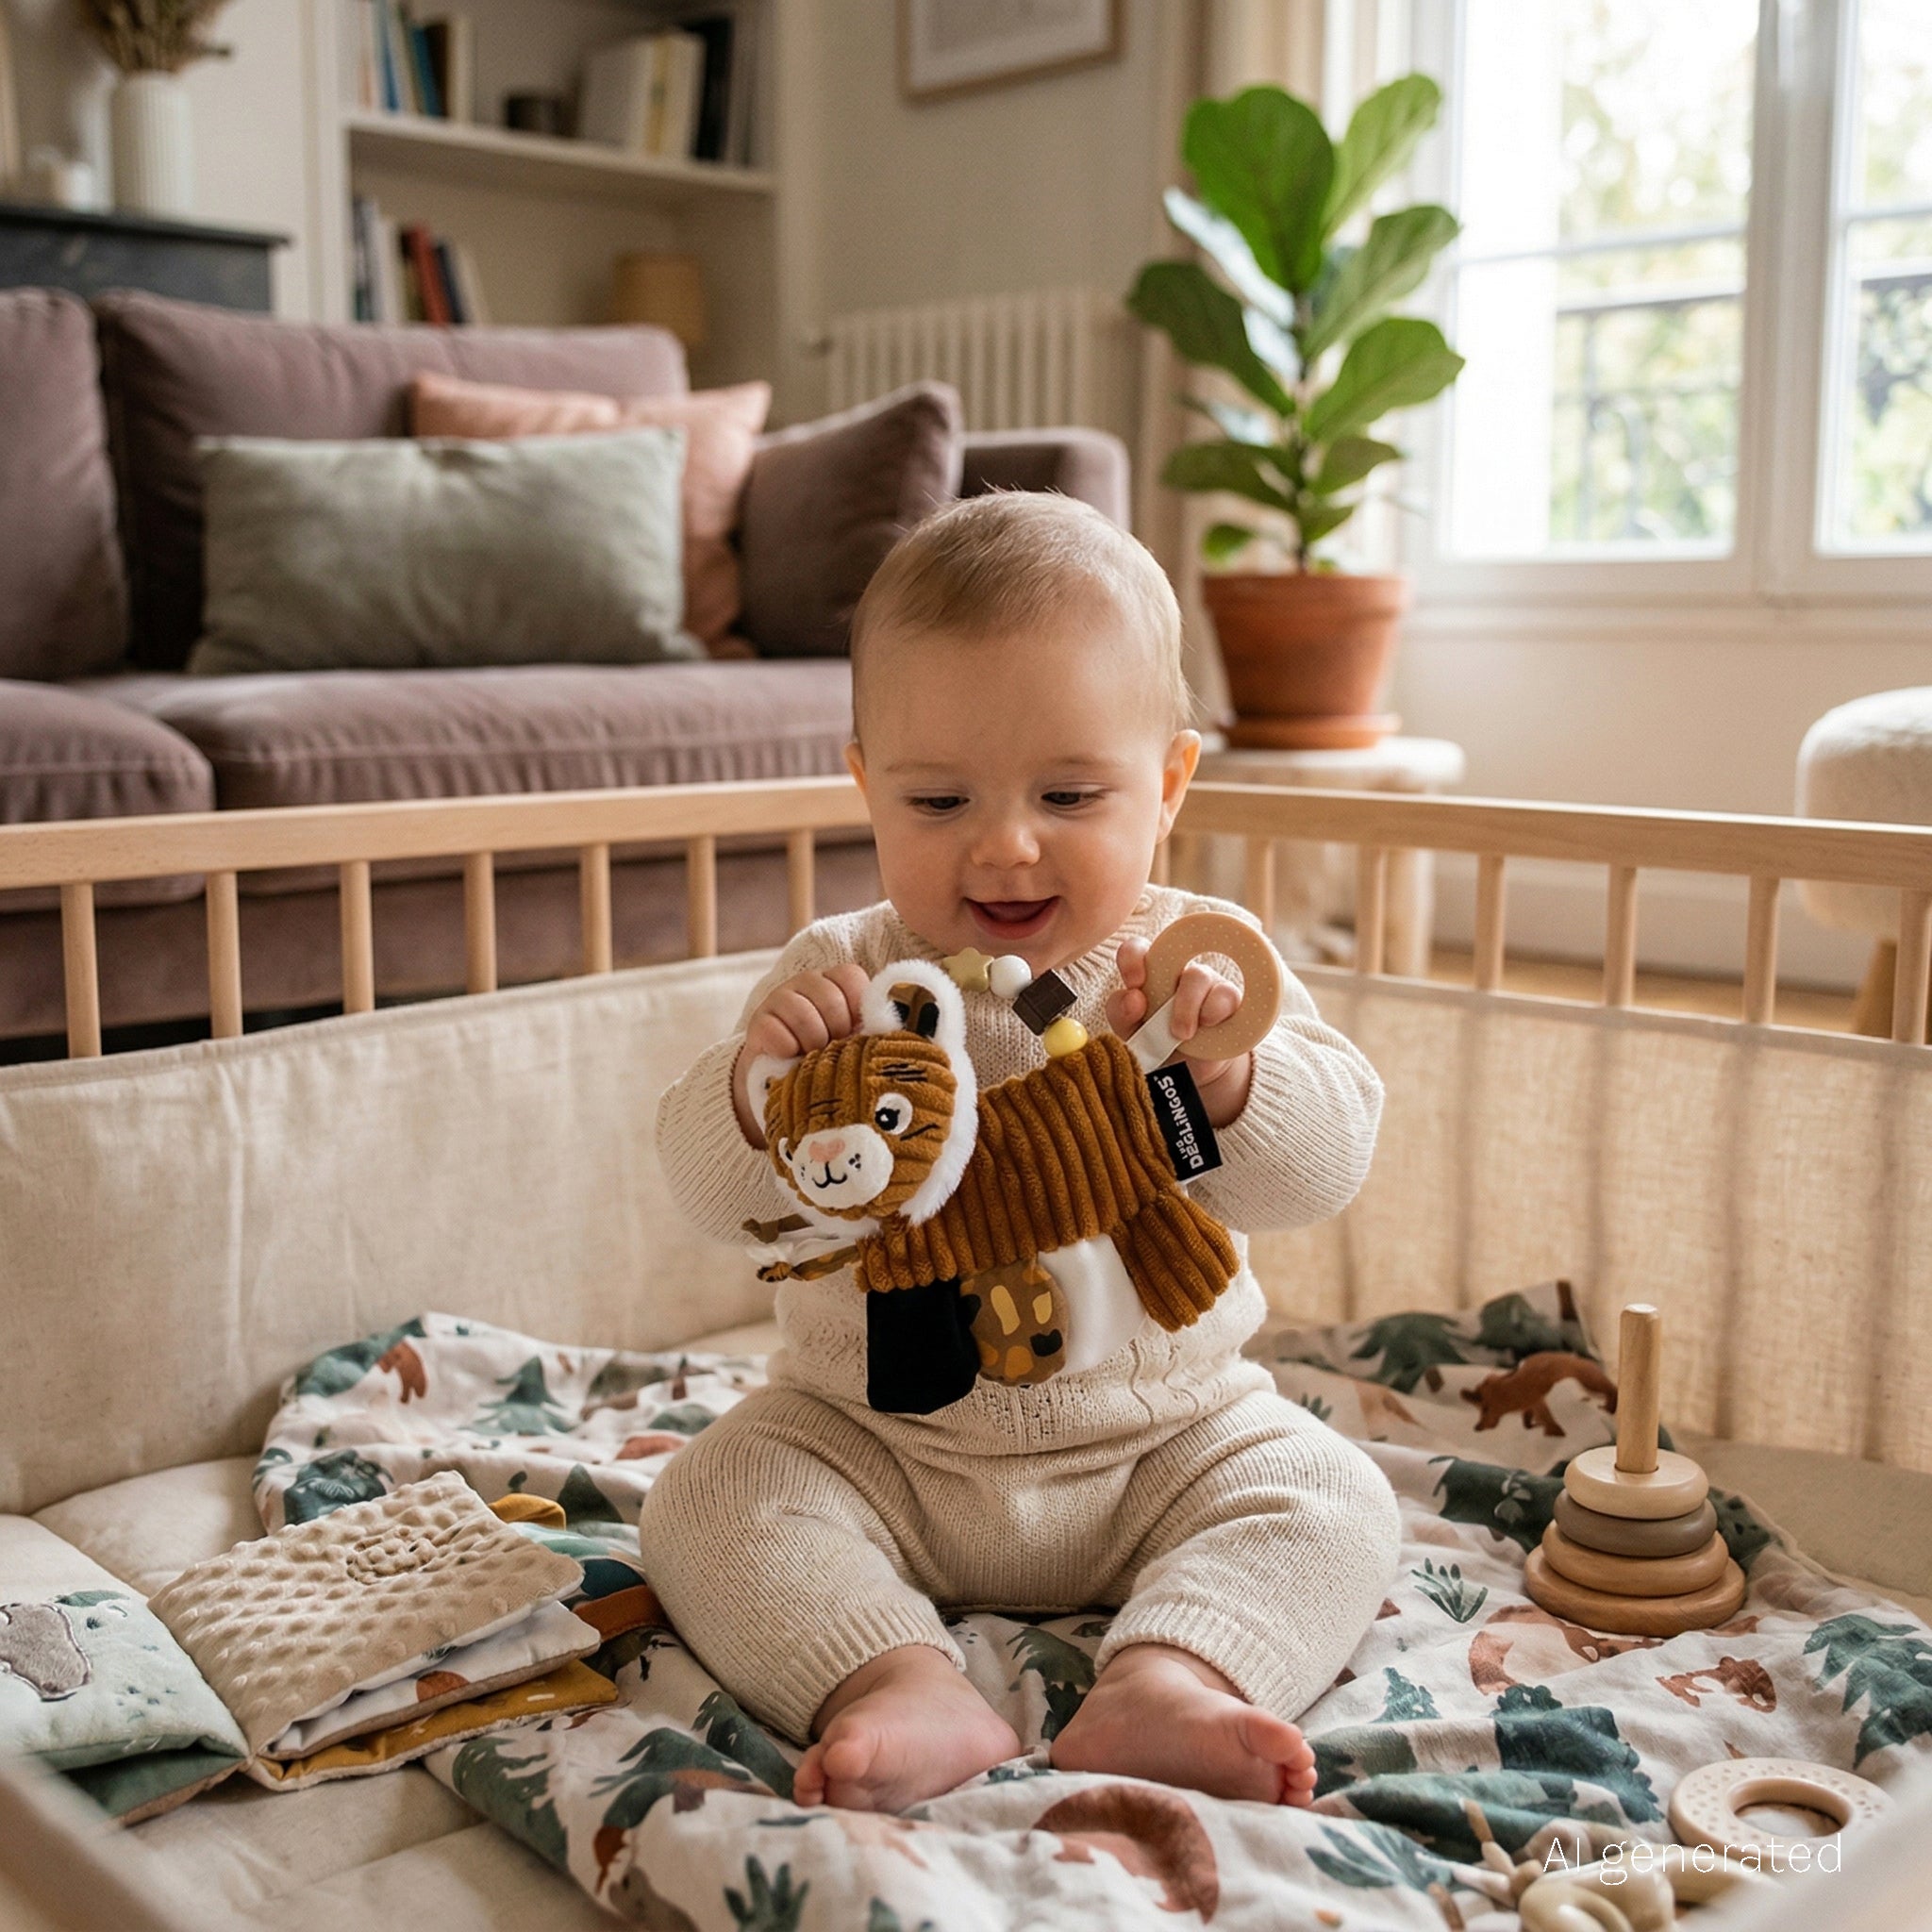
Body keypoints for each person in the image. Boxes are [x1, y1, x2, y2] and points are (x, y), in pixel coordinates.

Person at [641, 491, 1398, 1813]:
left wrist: (1231, 1089)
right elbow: (708, 1198)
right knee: (707, 1495)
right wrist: (762, 1099)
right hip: (876, 1441)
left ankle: (1172, 1674)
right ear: (865, 783)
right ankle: (892, 1678)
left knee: (1334, 1492)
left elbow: (1327, 1166)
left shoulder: (1198, 967)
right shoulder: (841, 976)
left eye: (1068, 793)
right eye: (938, 799)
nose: (1003, 843)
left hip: (1168, 1442)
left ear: (1167, 785)